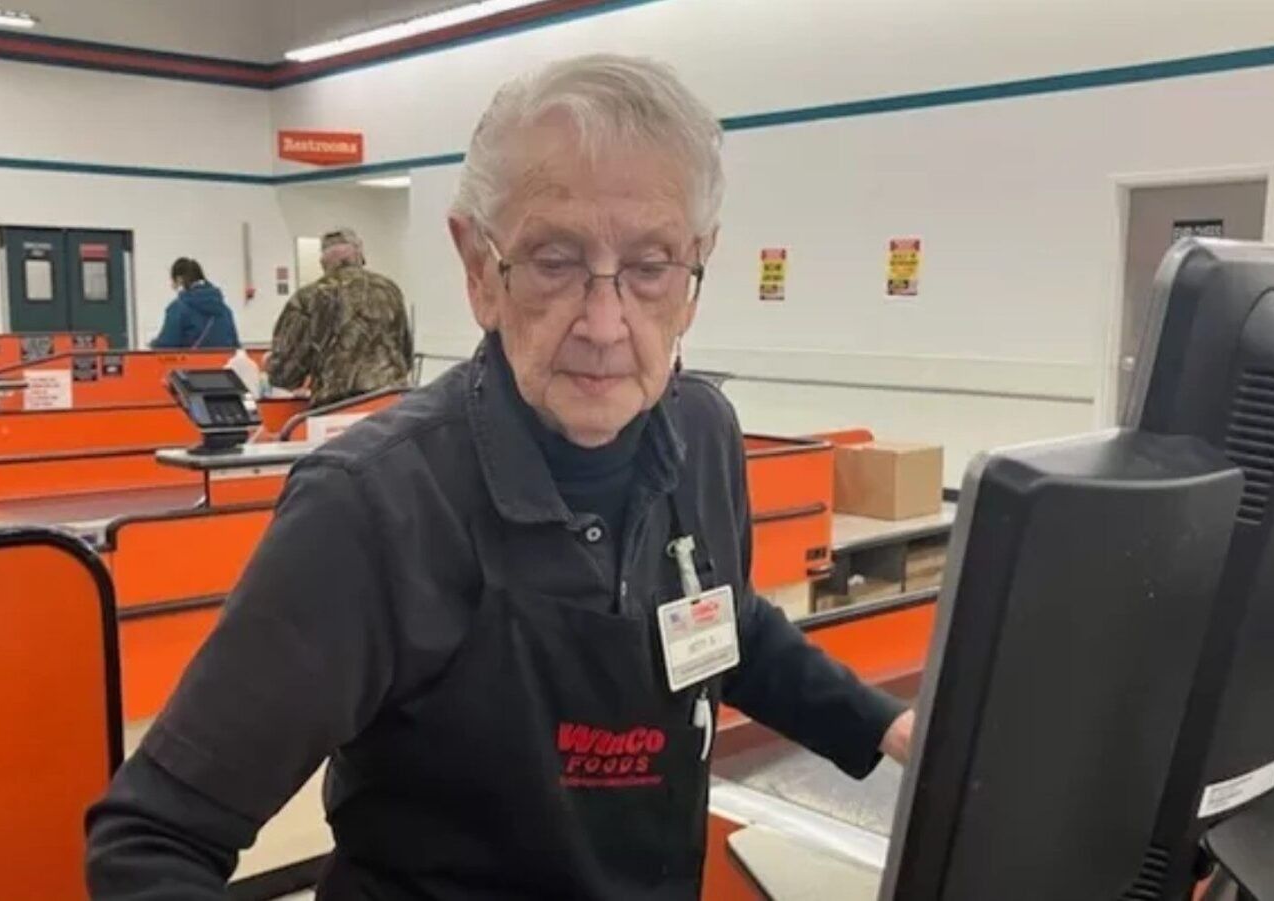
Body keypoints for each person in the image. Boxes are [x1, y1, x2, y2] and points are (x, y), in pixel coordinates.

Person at [86, 54, 913, 900]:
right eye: (554, 259)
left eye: (650, 265)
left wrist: (886, 725)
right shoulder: (374, 507)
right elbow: (148, 841)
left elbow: (714, 619)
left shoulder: (701, 433)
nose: (604, 322)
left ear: (696, 273)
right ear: (480, 267)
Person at [265, 228, 412, 406]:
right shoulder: (389, 290)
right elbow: (406, 354)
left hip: (338, 409)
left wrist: (272, 366)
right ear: (360, 256)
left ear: (323, 262)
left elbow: (284, 374)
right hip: (393, 403)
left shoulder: (307, 298)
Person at [149, 257, 240, 349]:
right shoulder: (225, 310)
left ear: (179, 279)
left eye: (173, 282)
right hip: (221, 363)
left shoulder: (178, 309)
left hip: (190, 363)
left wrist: (154, 344)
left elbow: (166, 346)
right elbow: (235, 346)